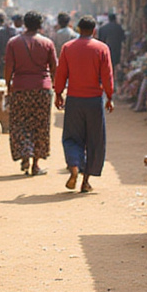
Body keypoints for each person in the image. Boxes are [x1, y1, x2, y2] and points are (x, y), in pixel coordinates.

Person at [54, 16, 113, 192]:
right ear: (94, 30)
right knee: (94, 140)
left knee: (72, 137)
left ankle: (73, 167)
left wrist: (58, 93)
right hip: (94, 100)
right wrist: (110, 97)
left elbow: (61, 73)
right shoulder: (101, 48)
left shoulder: (68, 48)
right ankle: (85, 181)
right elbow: (107, 75)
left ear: (78, 29)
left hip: (74, 99)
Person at [4, 10, 57, 175]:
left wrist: (8, 85)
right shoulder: (47, 43)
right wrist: (56, 87)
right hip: (42, 88)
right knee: (40, 125)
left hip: (20, 88)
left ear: (25, 24)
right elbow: (54, 68)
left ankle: (25, 156)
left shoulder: (13, 43)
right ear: (40, 25)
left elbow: (8, 68)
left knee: (20, 123)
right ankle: (36, 164)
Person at [97, 12, 125, 77]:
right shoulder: (119, 27)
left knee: (107, 64)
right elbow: (123, 38)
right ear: (115, 19)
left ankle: (108, 77)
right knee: (114, 64)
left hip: (106, 49)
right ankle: (113, 77)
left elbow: (100, 40)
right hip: (117, 49)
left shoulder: (103, 28)